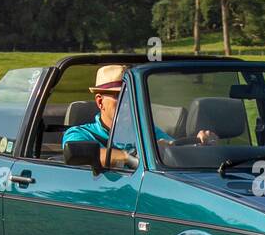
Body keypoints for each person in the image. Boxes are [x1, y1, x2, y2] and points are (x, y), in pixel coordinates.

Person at [63, 64, 218, 166]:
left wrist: (199, 146)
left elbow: (175, 151)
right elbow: (93, 155)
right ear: (100, 102)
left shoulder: (148, 132)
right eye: (120, 96)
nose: (127, 103)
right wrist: (131, 157)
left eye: (131, 96)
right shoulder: (80, 133)